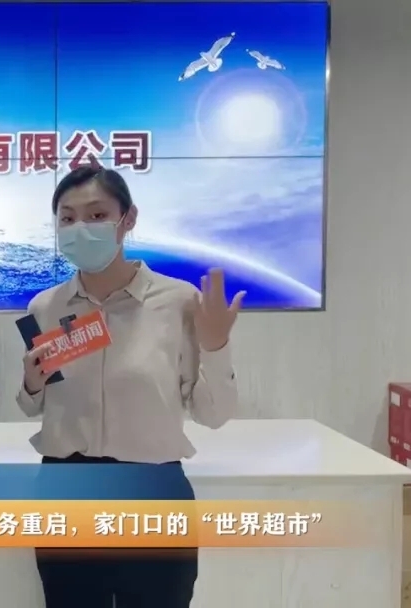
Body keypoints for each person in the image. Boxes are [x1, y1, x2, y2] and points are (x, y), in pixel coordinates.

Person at [18, 166, 244, 608]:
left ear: (128, 219)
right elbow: (34, 405)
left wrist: (216, 346)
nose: (81, 228)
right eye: (67, 218)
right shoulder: (45, 307)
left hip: (152, 488)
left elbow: (213, 415)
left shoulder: (179, 302)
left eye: (96, 215)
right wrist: (30, 383)